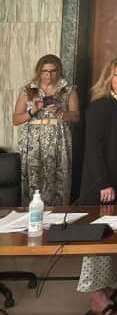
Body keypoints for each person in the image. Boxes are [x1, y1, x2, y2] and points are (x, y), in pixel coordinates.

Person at [76, 55, 117, 315]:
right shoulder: (100, 106)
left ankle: (105, 287)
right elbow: (93, 148)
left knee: (114, 237)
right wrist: (104, 182)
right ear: (109, 78)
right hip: (102, 183)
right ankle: (95, 296)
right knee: (97, 239)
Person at [12, 54, 80, 206]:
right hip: (33, 140)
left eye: (53, 71)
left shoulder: (68, 89)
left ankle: (58, 216)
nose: (49, 75)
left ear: (59, 71)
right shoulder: (28, 90)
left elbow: (76, 116)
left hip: (59, 138)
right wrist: (33, 110)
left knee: (59, 178)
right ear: (39, 71)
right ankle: (32, 213)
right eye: (45, 71)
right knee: (34, 178)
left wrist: (60, 112)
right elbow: (16, 120)